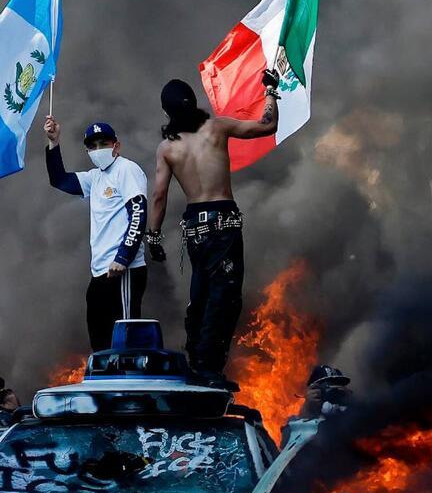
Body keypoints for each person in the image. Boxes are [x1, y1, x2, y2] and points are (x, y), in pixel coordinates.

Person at [145, 74, 279, 389]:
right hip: (223, 223)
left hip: (195, 227)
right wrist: (271, 91)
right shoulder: (217, 128)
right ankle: (208, 369)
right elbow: (267, 125)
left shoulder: (167, 148)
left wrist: (153, 236)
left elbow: (159, 196)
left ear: (166, 112)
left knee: (201, 293)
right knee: (224, 296)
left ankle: (196, 362)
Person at [45, 117, 149, 352]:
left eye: (104, 143)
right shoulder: (95, 178)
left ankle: (128, 375)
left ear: (116, 145)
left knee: (124, 340)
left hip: (124, 269)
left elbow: (138, 213)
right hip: (100, 271)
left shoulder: (127, 169)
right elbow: (59, 179)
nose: (98, 149)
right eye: (93, 146)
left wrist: (123, 257)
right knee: (100, 339)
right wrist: (54, 142)